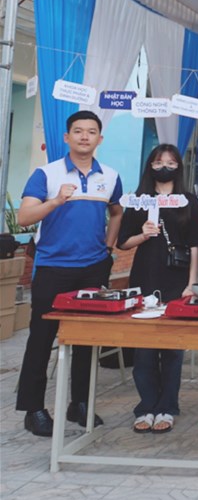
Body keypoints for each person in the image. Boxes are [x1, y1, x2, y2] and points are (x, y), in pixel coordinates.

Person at [15, 110, 123, 437]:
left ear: (100, 138)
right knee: (41, 338)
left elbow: (117, 212)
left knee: (87, 338)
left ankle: (80, 403)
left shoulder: (111, 176)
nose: (84, 136)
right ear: (67, 137)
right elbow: (23, 218)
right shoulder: (46, 174)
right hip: (53, 267)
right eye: (78, 131)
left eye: (91, 131)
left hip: (92, 268)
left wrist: (108, 247)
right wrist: (55, 201)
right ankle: (33, 409)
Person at [117, 144, 198, 434]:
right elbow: (122, 242)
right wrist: (142, 235)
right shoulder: (138, 200)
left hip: (176, 281)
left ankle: (167, 406)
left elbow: (195, 245)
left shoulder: (189, 201)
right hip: (144, 278)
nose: (164, 167)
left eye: (170, 162)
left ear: (179, 166)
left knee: (172, 350)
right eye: (158, 162)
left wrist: (192, 283)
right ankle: (146, 406)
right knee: (143, 350)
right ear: (149, 166)